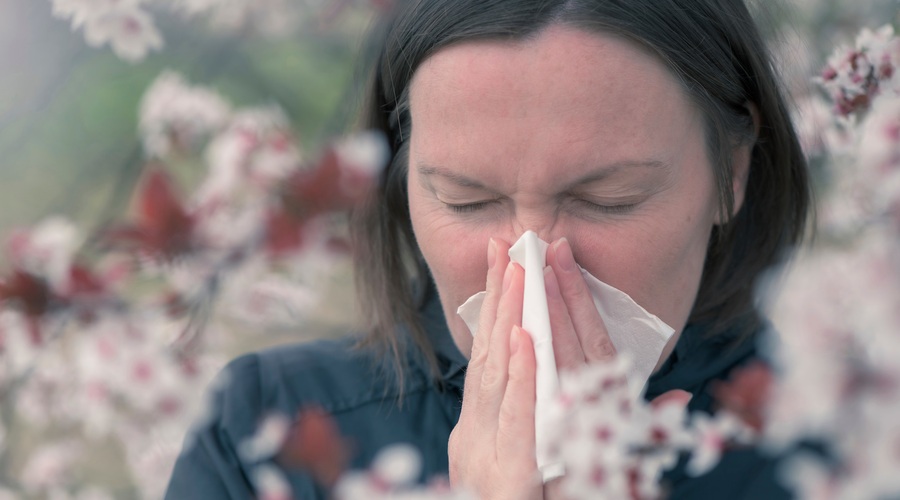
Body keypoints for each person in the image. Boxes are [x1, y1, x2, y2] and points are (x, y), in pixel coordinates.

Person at [165, 0, 810, 498]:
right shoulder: (264, 435)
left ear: (733, 171)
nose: (529, 267)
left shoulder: (855, 439)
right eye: (466, 201)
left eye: (611, 197)